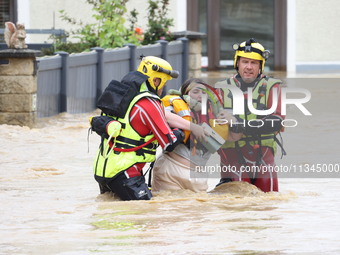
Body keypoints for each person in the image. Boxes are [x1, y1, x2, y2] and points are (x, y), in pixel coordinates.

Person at [90, 56, 184, 201]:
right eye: (164, 83)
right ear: (156, 80)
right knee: (145, 214)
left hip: (103, 171)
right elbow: (169, 143)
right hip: (125, 173)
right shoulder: (149, 102)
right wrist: (183, 132)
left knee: (110, 216)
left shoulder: (122, 95)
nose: (163, 88)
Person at [216, 38, 285, 192]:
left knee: (268, 204)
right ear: (237, 63)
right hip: (232, 155)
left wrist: (238, 125)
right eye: (245, 62)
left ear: (261, 66)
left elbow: (276, 121)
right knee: (237, 206)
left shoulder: (273, 87)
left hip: (264, 154)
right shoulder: (221, 88)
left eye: (254, 63)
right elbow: (212, 124)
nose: (248, 67)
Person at [151, 78, 230, 192]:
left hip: (198, 176)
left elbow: (233, 139)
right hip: (170, 170)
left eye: (204, 93)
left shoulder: (216, 114)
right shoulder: (176, 104)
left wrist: (231, 121)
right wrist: (193, 127)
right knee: (166, 207)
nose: (200, 96)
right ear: (185, 94)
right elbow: (161, 114)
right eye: (195, 92)